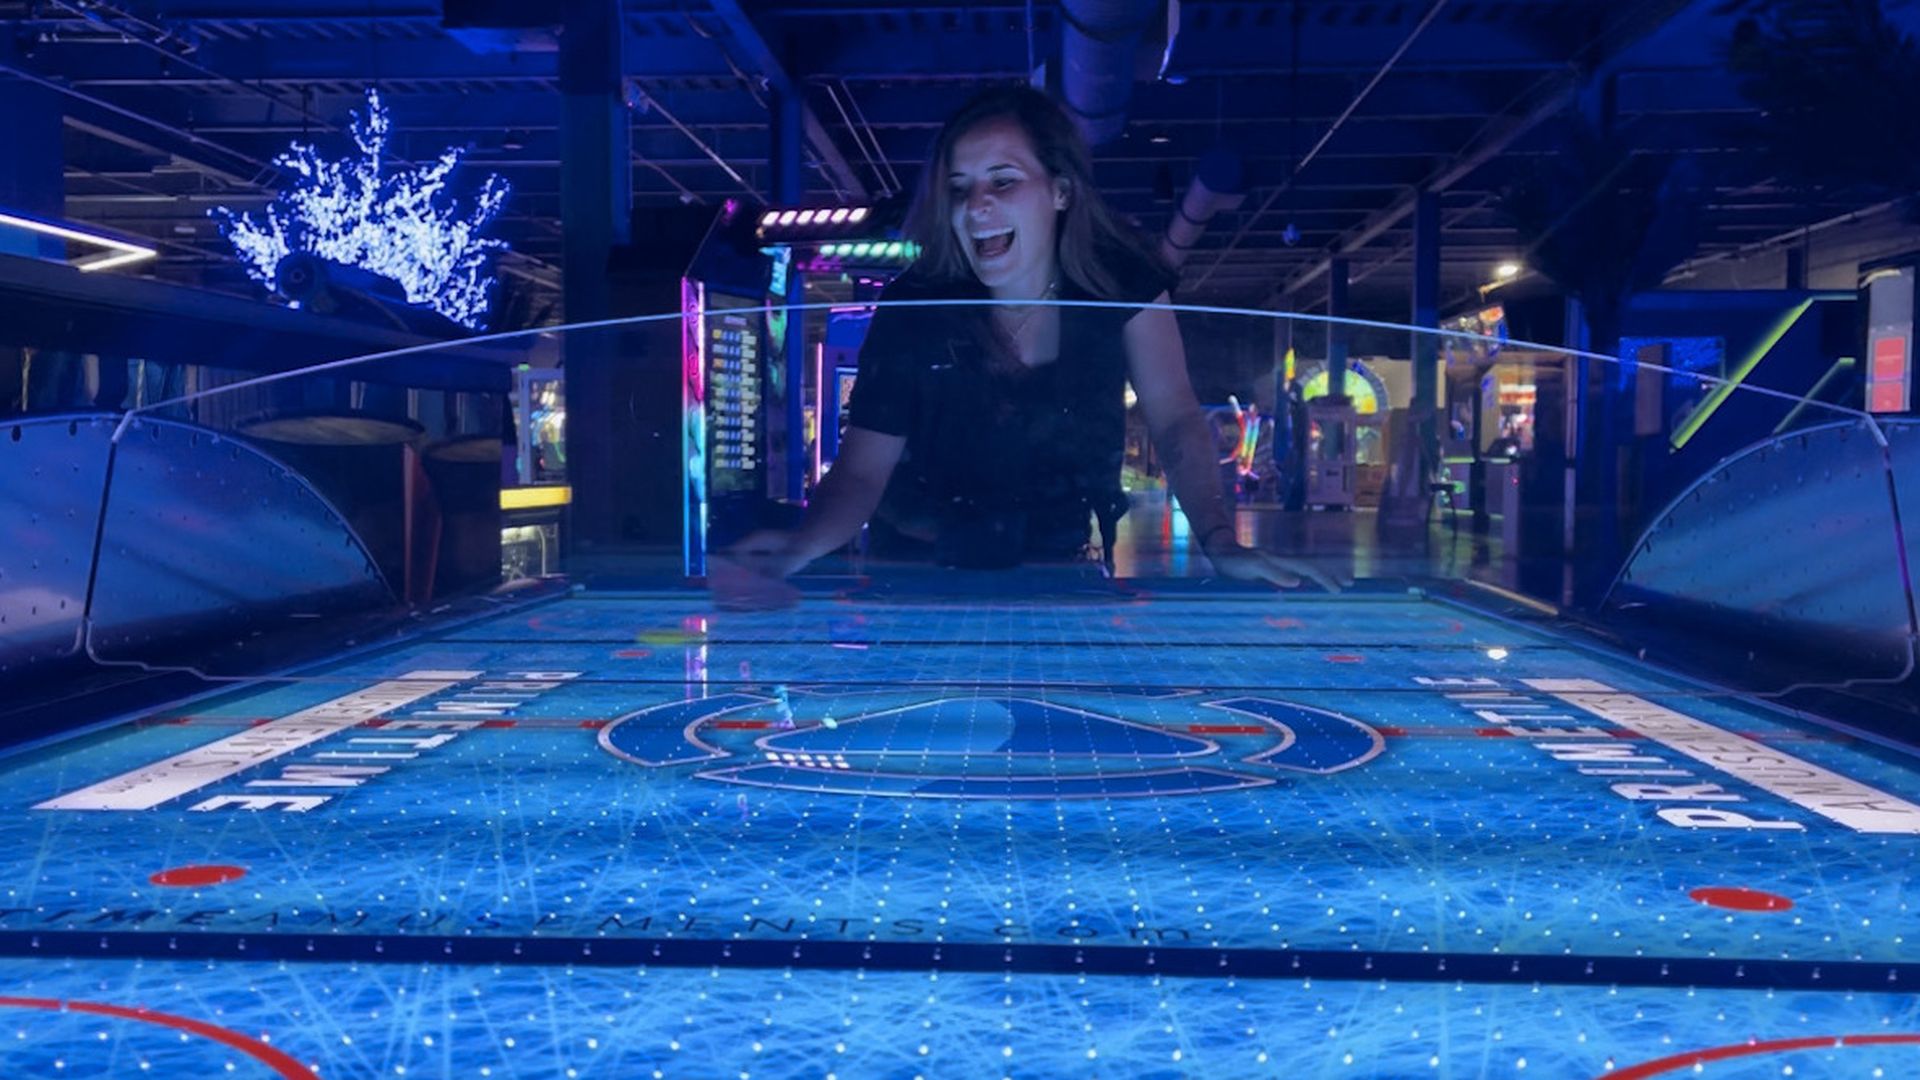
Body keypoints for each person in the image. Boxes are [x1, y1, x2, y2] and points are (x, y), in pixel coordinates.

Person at [724, 85, 1338, 594]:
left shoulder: (1117, 280)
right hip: (916, 567)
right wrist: (801, 546)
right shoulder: (917, 303)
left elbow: (1175, 417)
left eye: (1003, 181)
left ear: (1061, 191)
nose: (977, 207)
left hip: (1058, 559)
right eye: (961, 189)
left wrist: (1218, 540)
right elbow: (863, 469)